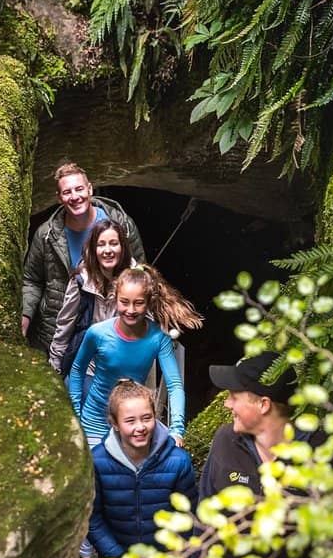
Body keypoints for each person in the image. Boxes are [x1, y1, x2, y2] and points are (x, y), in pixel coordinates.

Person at [191, 352, 321, 558]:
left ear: (264, 404)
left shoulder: (319, 454)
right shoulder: (224, 441)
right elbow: (203, 518)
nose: (226, 403)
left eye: (235, 396)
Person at [88, 379, 198, 558]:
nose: (140, 427)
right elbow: (92, 516)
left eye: (146, 418)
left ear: (156, 417)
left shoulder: (177, 462)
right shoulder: (97, 461)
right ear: (114, 423)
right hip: (117, 554)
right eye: (130, 420)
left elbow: (186, 513)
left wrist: (173, 551)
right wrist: (119, 556)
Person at [68, 264, 202, 448]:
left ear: (148, 302)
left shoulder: (158, 338)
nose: (130, 310)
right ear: (115, 299)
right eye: (124, 302)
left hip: (133, 428)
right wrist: (75, 415)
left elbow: (175, 385)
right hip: (94, 425)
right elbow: (77, 371)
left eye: (138, 303)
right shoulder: (97, 333)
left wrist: (177, 430)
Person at [21, 163, 145, 354]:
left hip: (110, 327)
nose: (75, 197)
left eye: (79, 189)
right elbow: (32, 279)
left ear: (89, 189)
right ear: (59, 197)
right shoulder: (46, 235)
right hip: (57, 330)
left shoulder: (121, 225)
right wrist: (25, 317)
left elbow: (140, 274)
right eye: (67, 192)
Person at [48, 218, 135, 379]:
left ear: (123, 248)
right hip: (86, 367)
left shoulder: (135, 280)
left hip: (123, 369)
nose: (107, 250)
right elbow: (65, 326)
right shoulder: (81, 281)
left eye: (114, 243)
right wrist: (54, 370)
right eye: (101, 244)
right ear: (93, 249)